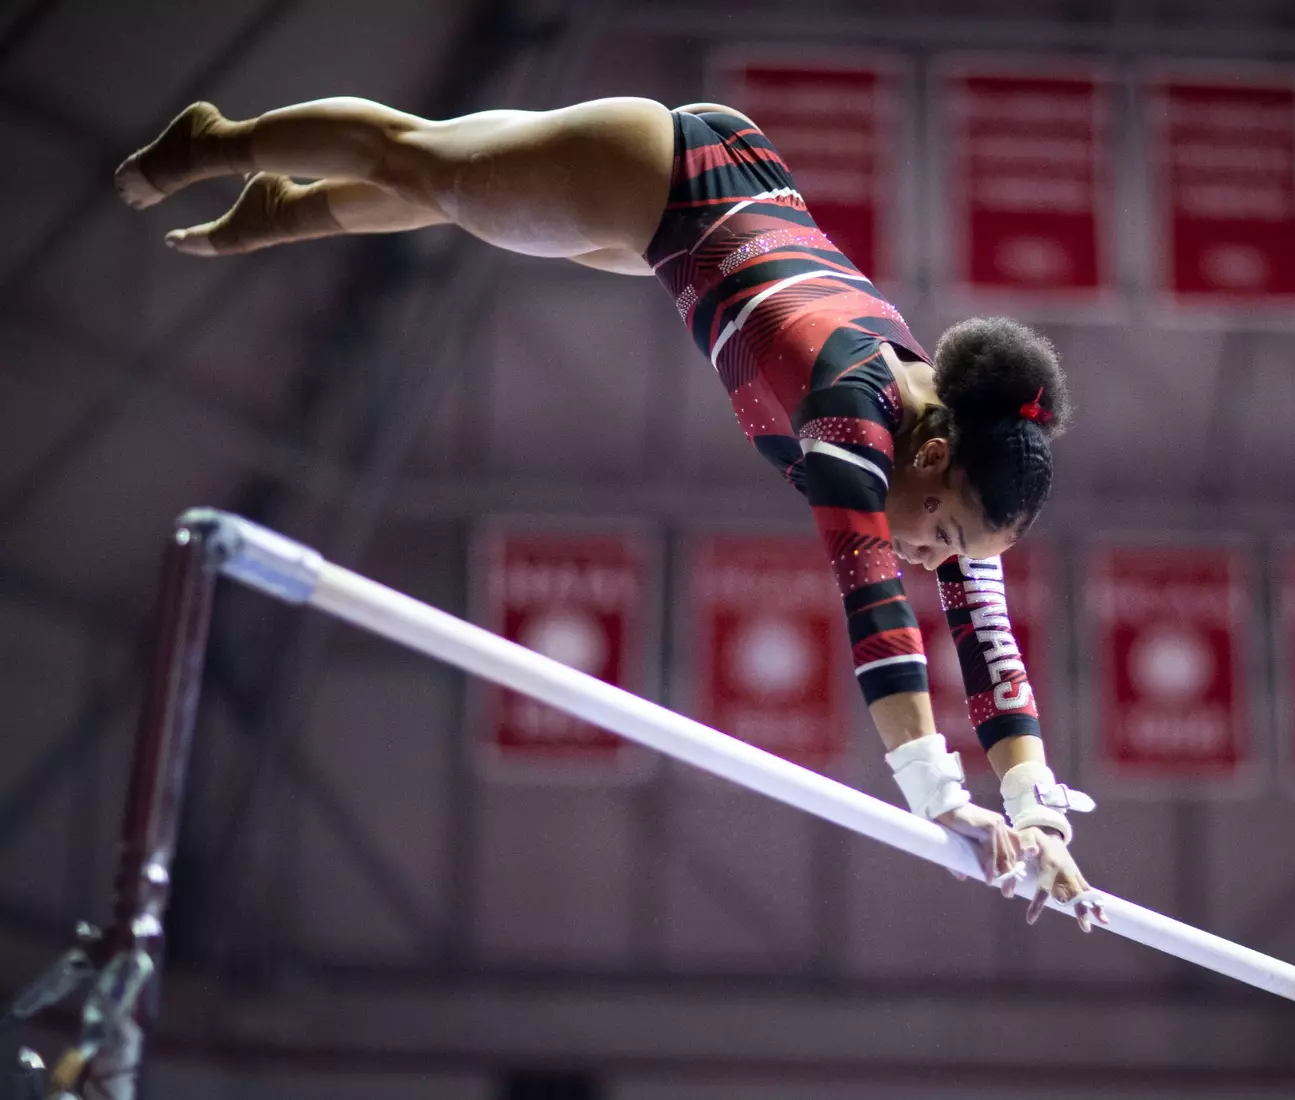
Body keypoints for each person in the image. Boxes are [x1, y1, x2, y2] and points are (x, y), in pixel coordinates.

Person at [115, 96, 1106, 930]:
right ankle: (218, 140)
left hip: (696, 209)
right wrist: (943, 803)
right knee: (413, 159)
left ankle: (283, 209)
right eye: (942, 536)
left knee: (451, 191)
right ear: (930, 454)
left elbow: (989, 642)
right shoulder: (851, 413)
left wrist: (1036, 809)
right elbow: (878, 621)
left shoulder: (952, 455)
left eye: (952, 550)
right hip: (663, 177)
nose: (934, 557)